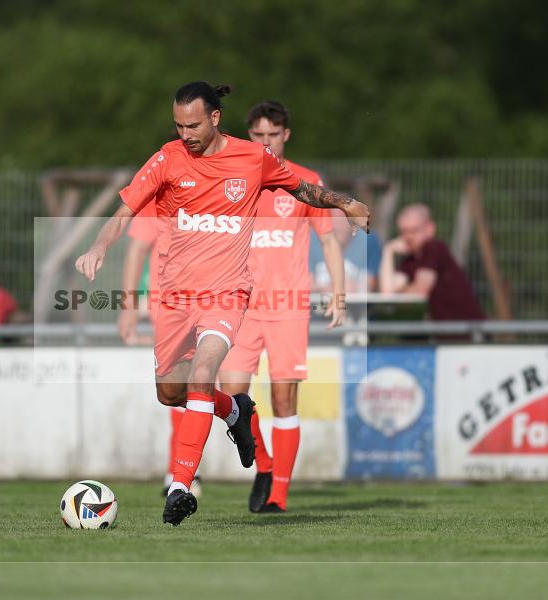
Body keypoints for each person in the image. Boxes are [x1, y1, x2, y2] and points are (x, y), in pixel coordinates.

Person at [75, 81, 369, 526]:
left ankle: (180, 487)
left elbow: (301, 189)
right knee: (170, 392)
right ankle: (235, 411)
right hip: (175, 296)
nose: (185, 133)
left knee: (202, 373)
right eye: (178, 125)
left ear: (214, 118)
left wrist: (345, 203)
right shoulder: (168, 158)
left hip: (227, 293)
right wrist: (99, 247)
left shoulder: (252, 159)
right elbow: (125, 213)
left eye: (192, 124)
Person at [218, 100, 347, 514]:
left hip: (289, 306)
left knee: (284, 400)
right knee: (231, 393)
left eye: (273, 134)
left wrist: (339, 293)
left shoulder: (305, 182)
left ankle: (278, 497)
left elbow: (328, 239)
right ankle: (267, 465)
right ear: (248, 136)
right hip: (241, 305)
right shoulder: (236, 181)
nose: (266, 142)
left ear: (285, 135)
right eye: (257, 135)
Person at [118, 199, 202, 498]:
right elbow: (137, 249)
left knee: (197, 388)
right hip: (169, 308)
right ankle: (182, 471)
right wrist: (128, 307)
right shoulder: (158, 197)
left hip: (213, 301)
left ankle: (178, 474)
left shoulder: (215, 186)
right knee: (176, 391)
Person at [379, 203, 484, 320]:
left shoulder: (434, 248)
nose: (408, 237)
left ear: (430, 229)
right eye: (404, 231)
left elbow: (419, 293)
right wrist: (388, 251)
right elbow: (387, 293)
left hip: (469, 330)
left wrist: (400, 293)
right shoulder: (411, 261)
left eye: (414, 230)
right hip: (447, 332)